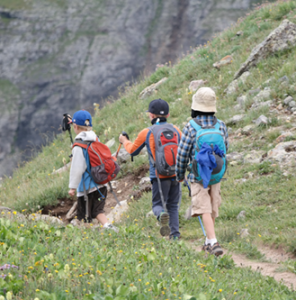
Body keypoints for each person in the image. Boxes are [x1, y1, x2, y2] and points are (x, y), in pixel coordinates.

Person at [119, 99, 182, 239]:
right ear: (168, 114)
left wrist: (124, 141)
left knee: (157, 205)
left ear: (152, 115)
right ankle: (175, 236)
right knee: (173, 205)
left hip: (159, 177)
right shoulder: (176, 130)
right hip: (176, 174)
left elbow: (132, 151)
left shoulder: (147, 132)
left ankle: (161, 215)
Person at [176, 87, 229, 256]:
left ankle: (213, 242)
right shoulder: (221, 125)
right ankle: (208, 241)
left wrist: (179, 174)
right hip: (216, 172)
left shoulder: (190, 127)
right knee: (212, 207)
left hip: (197, 174)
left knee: (203, 208)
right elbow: (225, 148)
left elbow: (182, 154)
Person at [68, 110, 118, 232]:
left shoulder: (79, 145)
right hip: (101, 184)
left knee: (83, 216)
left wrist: (72, 187)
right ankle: (109, 227)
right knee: (97, 211)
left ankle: (87, 237)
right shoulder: (95, 138)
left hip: (86, 189)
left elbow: (77, 168)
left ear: (75, 127)